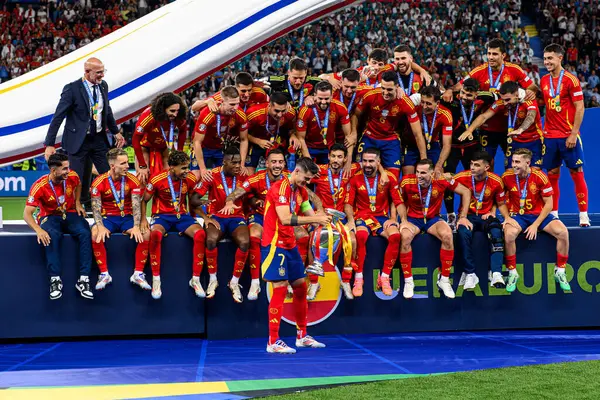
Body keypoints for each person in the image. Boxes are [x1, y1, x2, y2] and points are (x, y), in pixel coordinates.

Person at [261, 157, 330, 354]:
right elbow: (284, 218)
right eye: (305, 178)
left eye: (310, 180)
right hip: (275, 244)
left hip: (290, 244)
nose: (307, 183)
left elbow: (310, 215)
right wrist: (317, 217)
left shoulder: (300, 191)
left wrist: (326, 222)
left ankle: (302, 336)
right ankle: (273, 341)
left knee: (300, 286)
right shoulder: (280, 188)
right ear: (296, 171)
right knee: (281, 287)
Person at [44, 58, 125, 209]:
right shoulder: (72, 89)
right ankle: (72, 209)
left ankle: (112, 207)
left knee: (108, 173)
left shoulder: (103, 86)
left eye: (103, 71)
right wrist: (49, 144)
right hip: (78, 141)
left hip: (99, 139)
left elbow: (107, 111)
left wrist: (115, 132)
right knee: (76, 178)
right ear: (87, 72)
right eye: (98, 72)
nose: (102, 75)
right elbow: (58, 117)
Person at [442, 39, 537, 168]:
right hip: (486, 127)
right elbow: (459, 86)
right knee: (487, 164)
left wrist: (529, 92)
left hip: (509, 127)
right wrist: (449, 90)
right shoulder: (479, 71)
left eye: (494, 54)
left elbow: (532, 87)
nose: (490, 57)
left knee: (511, 164)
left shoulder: (514, 69)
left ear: (503, 55)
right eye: (489, 53)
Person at [219, 148, 288, 301]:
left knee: (302, 236)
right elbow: (237, 192)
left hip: (282, 219)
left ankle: (291, 278)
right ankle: (255, 282)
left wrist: (320, 209)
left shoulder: (290, 178)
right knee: (254, 236)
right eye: (274, 162)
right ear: (267, 163)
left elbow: (311, 195)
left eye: (280, 162)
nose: (277, 165)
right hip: (260, 218)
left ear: (284, 163)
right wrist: (230, 201)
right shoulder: (256, 178)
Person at [23, 153, 93, 300]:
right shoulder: (39, 186)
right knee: (51, 236)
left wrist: (78, 202)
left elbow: (79, 183)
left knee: (85, 233)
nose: (68, 171)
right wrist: (38, 230)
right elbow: (27, 214)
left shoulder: (72, 176)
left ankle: (84, 279)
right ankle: (55, 280)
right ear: (54, 170)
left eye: (68, 167)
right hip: (50, 216)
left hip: (70, 212)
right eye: (64, 169)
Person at [399, 159, 472, 299]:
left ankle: (444, 279)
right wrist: (402, 220)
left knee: (448, 235)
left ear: (432, 174)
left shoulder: (441, 180)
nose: (419, 176)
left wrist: (463, 216)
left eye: (423, 173)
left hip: (433, 219)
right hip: (413, 220)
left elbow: (465, 191)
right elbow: (397, 200)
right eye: (417, 172)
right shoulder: (407, 182)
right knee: (405, 237)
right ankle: (408, 281)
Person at [500, 148, 571, 293]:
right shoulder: (506, 177)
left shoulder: (540, 176)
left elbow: (549, 204)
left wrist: (535, 225)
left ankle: (560, 271)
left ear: (528, 162)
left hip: (538, 215)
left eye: (518, 162)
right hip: (517, 216)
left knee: (563, 232)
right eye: (513, 161)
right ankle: (512, 272)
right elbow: (499, 201)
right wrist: (507, 218)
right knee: (509, 235)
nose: (514, 165)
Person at [142, 151, 206, 299]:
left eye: (187, 167)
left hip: (182, 217)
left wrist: (201, 217)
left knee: (200, 234)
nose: (187, 171)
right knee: (155, 234)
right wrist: (143, 220)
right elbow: (144, 200)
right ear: (171, 167)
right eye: (183, 168)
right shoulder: (157, 179)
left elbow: (192, 201)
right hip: (162, 217)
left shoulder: (190, 178)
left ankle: (195, 279)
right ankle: (156, 279)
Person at [191, 146, 250, 302]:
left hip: (237, 217)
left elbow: (250, 195)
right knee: (210, 240)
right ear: (224, 162)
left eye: (239, 162)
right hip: (216, 217)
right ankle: (212, 279)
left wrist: (254, 201)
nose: (238, 166)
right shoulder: (212, 176)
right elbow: (193, 200)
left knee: (245, 242)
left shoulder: (244, 176)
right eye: (234, 163)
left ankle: (234, 282)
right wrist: (205, 210)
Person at [541, 44, 590, 227]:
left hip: (568, 135)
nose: (547, 62)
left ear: (560, 58)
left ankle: (583, 215)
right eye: (545, 59)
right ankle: (554, 214)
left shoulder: (571, 80)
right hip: (550, 137)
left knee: (576, 174)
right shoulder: (544, 80)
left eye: (550, 58)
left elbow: (580, 107)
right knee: (552, 175)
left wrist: (573, 133)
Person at [344, 148, 404, 297]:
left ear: (378, 162)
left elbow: (397, 201)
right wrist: (351, 220)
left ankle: (384, 277)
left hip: (382, 218)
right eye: (364, 161)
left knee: (396, 236)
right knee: (361, 236)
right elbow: (348, 204)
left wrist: (400, 220)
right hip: (362, 217)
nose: (367, 164)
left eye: (371, 161)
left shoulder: (389, 177)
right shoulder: (355, 178)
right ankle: (358, 278)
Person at [90, 149, 150, 291]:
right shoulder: (99, 182)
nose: (127, 166)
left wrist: (136, 226)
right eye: (123, 163)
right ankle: (104, 274)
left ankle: (138, 273)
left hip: (127, 218)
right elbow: (95, 208)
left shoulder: (133, 180)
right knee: (95, 234)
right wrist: (100, 226)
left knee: (146, 233)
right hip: (107, 218)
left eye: (127, 162)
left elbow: (136, 205)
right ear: (112, 166)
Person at [438, 78, 495, 227]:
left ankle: (472, 212)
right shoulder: (449, 100)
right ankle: (450, 215)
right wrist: (450, 90)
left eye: (469, 95)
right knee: (447, 180)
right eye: (462, 93)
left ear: (476, 95)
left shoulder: (485, 98)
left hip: (472, 146)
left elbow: (498, 96)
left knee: (475, 178)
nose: (464, 97)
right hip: (452, 147)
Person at [352, 71, 426, 178]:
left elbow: (418, 134)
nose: (385, 92)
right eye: (383, 88)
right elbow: (356, 115)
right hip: (369, 137)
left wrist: (423, 159)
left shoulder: (405, 103)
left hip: (391, 140)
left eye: (389, 89)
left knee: (393, 177)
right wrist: (354, 132)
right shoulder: (371, 95)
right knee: (359, 173)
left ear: (397, 86)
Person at [453, 151, 507, 290]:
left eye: (477, 165)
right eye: (471, 164)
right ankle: (470, 273)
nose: (472, 167)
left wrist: (503, 217)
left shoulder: (496, 181)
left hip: (485, 217)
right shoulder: (462, 177)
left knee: (496, 232)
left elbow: (500, 203)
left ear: (486, 167)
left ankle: (495, 273)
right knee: (463, 234)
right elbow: (445, 181)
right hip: (468, 217)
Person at [461, 81, 544, 168]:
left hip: (534, 140)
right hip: (515, 141)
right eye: (503, 100)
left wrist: (521, 129)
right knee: (510, 172)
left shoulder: (528, 99)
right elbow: (484, 116)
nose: (504, 103)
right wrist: (470, 130)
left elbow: (531, 117)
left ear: (516, 95)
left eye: (507, 100)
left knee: (535, 171)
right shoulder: (502, 101)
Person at [192, 86, 249, 180]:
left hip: (220, 149)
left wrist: (242, 164)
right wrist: (202, 169)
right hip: (202, 148)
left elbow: (244, 139)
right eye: (232, 104)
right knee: (196, 177)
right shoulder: (209, 113)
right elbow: (197, 142)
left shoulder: (240, 114)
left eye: (237, 104)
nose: (235, 108)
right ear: (222, 102)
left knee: (227, 177)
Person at [132, 93, 188, 184]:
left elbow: (183, 131)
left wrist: (179, 151)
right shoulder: (149, 115)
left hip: (165, 146)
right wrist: (142, 165)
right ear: (162, 109)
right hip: (146, 145)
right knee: (142, 177)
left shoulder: (179, 117)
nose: (175, 114)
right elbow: (135, 139)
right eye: (172, 111)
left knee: (172, 174)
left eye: (177, 111)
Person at [295, 81, 354, 167]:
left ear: (332, 96)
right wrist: (309, 162)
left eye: (326, 99)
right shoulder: (306, 110)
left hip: (330, 149)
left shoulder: (340, 107)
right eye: (320, 98)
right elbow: (300, 138)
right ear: (315, 95)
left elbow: (348, 136)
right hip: (309, 149)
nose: (323, 102)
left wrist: (348, 160)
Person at [404, 85, 453, 177]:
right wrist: (424, 160)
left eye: (428, 103)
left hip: (432, 144)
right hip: (412, 143)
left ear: (437, 103)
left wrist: (439, 165)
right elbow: (418, 135)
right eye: (422, 102)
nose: (424, 106)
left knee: (438, 173)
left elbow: (447, 144)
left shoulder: (445, 114)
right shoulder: (415, 107)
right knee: (408, 174)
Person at [244, 92, 296, 172]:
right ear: (269, 105)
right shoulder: (254, 113)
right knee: (249, 173)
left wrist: (293, 135)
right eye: (276, 111)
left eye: (283, 111)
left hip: (277, 144)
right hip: (255, 145)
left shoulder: (290, 113)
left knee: (282, 174)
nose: (279, 115)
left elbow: (291, 129)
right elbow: (242, 134)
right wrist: (258, 141)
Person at [192, 72, 269, 114]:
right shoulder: (226, 95)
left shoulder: (259, 92)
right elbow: (194, 107)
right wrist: (207, 101)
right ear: (236, 87)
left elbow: (269, 106)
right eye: (243, 91)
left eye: (249, 90)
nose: (247, 94)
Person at [330, 69, 372, 144]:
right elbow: (318, 78)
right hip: (333, 133)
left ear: (359, 83)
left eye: (353, 87)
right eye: (346, 86)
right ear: (341, 81)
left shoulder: (365, 90)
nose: (349, 91)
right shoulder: (332, 91)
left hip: (355, 132)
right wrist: (329, 78)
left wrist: (398, 89)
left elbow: (382, 90)